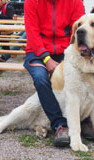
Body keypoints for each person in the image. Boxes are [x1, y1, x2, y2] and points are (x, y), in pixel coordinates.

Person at [24, 0, 94, 147]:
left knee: (83, 79)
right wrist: (46, 58)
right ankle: (60, 124)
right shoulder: (31, 2)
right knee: (41, 78)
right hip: (38, 52)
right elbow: (32, 33)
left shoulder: (75, 2)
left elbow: (80, 30)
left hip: (65, 49)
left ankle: (85, 120)